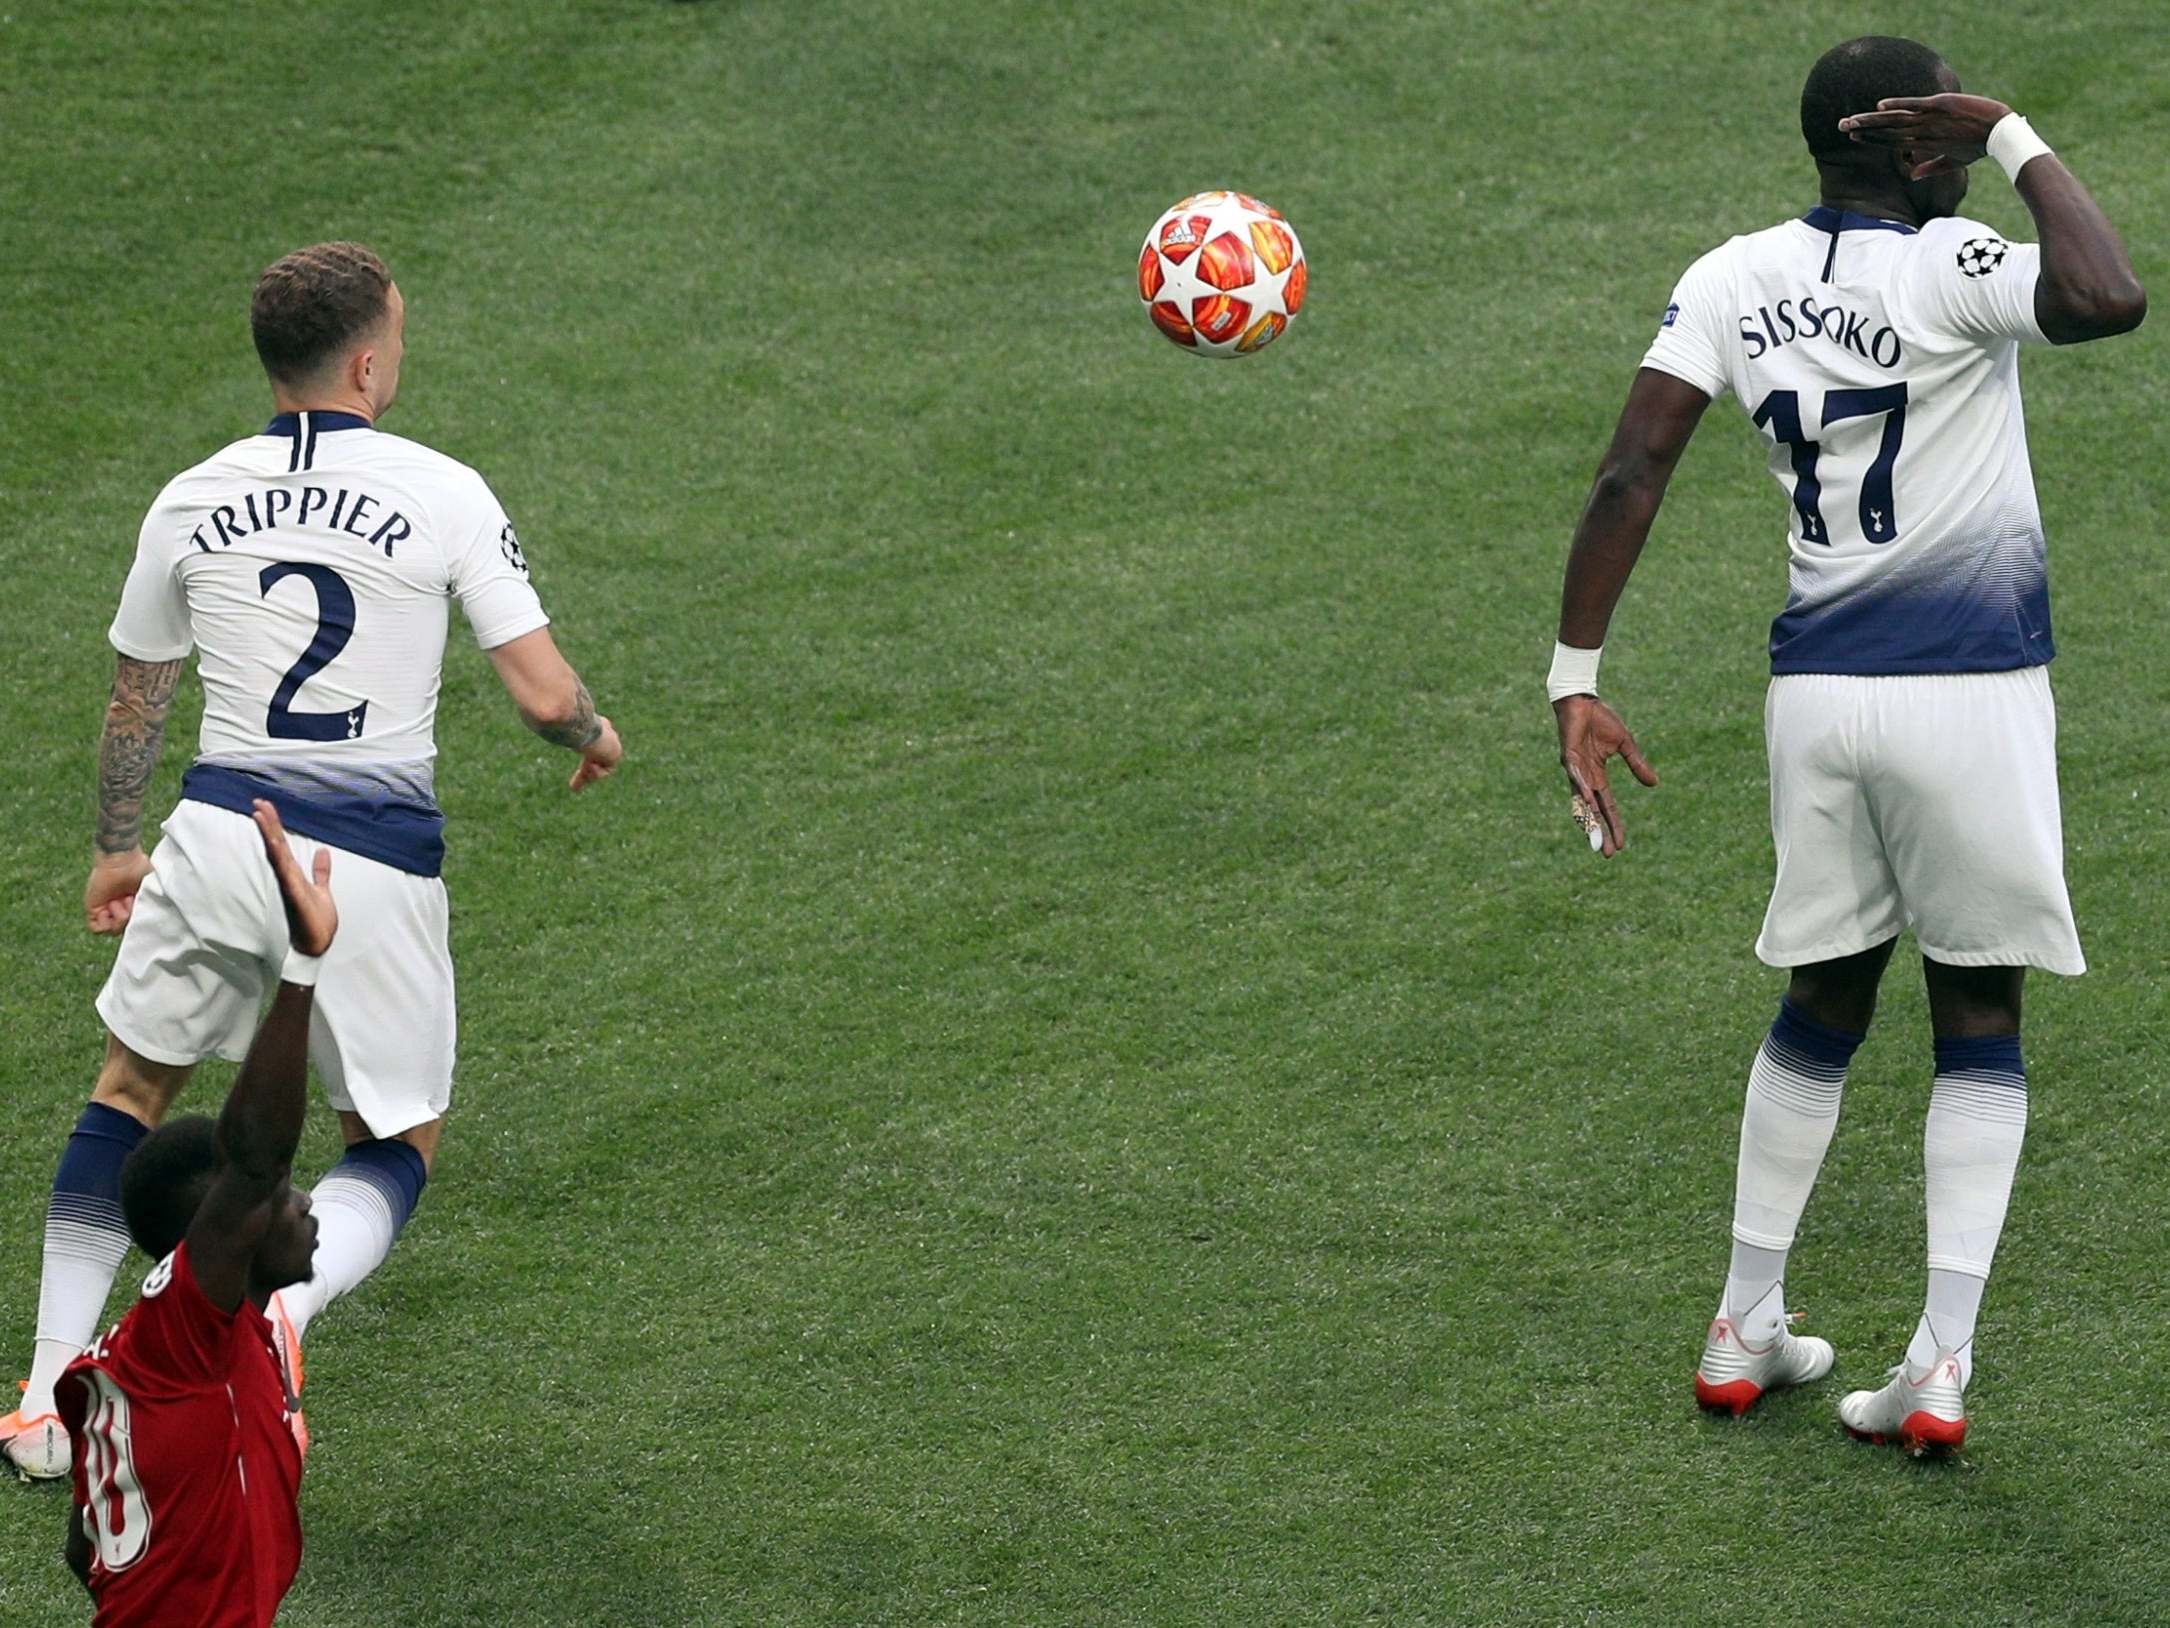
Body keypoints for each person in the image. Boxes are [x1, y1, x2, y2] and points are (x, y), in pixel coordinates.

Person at [1546, 37, 2143, 1450]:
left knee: (1820, 998)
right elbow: (2107, 294)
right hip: (1970, 692)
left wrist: (1575, 673)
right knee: (1976, 1018)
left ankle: (1741, 1321)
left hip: (1814, 702)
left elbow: (1632, 465)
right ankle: (1934, 1366)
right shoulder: (1958, 269)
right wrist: (2008, 129)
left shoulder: (1728, 277)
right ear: (1919, 149)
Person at [5, 241, 624, 1480]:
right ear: (366, 358)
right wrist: (593, 731)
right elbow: (540, 689)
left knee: (131, 1089)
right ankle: (277, 1313)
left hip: (218, 831)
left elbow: (139, 698)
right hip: (366, 862)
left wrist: (117, 849)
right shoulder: (444, 488)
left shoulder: (190, 492)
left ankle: (41, 1397)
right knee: (392, 1139)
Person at [60, 801, 332, 1625]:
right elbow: (255, 1157)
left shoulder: (170, 1349)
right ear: (221, 1231)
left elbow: (87, 1541)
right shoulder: (183, 1332)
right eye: (280, 1201)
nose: (303, 1201)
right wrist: (303, 965)